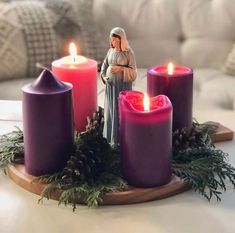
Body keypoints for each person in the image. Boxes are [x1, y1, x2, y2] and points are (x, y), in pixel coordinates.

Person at [100, 27, 137, 146]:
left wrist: (121, 69)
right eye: (112, 40)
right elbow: (104, 65)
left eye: (116, 40)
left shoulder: (128, 53)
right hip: (110, 87)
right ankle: (110, 137)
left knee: (119, 110)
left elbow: (133, 72)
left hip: (122, 88)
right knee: (111, 110)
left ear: (122, 40)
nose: (113, 42)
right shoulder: (110, 51)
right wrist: (103, 76)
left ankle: (121, 139)